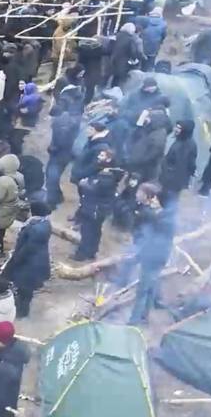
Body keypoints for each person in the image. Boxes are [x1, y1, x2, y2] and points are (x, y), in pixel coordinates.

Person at [128, 183, 174, 325]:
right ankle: (144, 316)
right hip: (161, 255)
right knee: (150, 287)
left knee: (143, 290)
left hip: (152, 256)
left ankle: (134, 321)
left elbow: (146, 236)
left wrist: (138, 254)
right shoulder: (166, 216)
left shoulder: (153, 216)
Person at [2, 201, 51, 318]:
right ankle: (21, 308)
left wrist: (15, 260)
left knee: (24, 288)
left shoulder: (35, 228)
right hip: (37, 261)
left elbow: (27, 248)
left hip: (29, 263)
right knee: (26, 287)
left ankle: (22, 312)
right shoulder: (44, 223)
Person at [71, 148, 120, 262]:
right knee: (95, 230)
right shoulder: (107, 171)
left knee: (87, 230)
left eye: (102, 155)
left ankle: (82, 254)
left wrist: (85, 183)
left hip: (95, 207)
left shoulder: (107, 175)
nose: (98, 157)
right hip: (99, 207)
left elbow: (95, 188)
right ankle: (92, 251)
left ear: (109, 159)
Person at [159, 121, 198, 203]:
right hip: (171, 178)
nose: (176, 129)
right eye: (176, 126)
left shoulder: (186, 145)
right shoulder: (179, 141)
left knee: (169, 201)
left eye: (179, 128)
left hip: (174, 180)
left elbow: (185, 163)